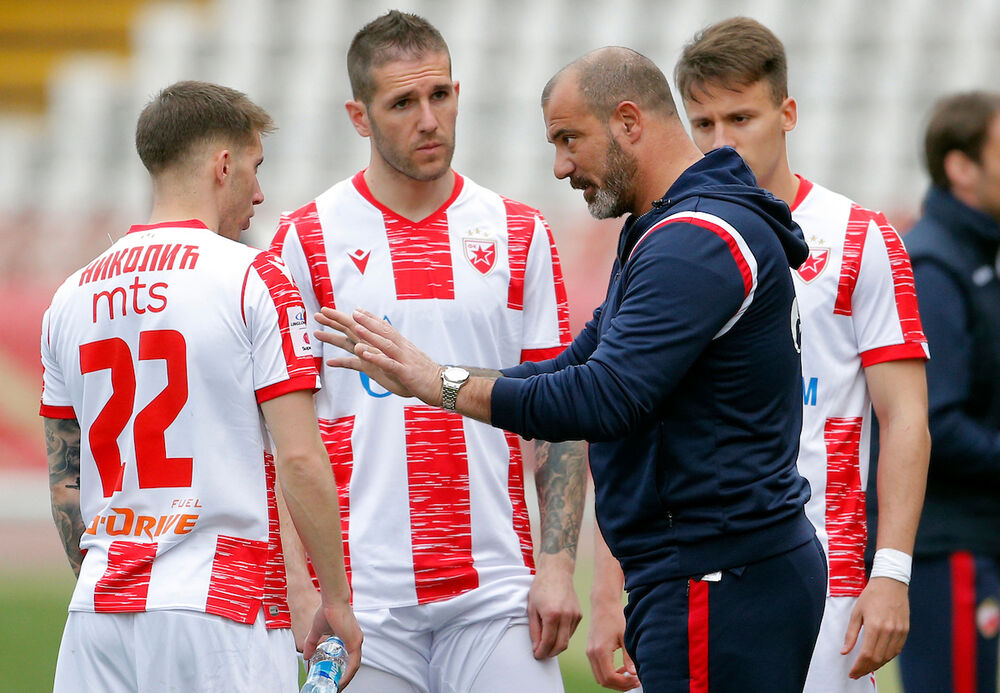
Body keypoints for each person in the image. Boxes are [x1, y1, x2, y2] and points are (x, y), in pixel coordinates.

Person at [315, 46, 829, 693]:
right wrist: (434, 373)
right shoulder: (666, 227)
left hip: (718, 570)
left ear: (628, 121)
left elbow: (600, 398)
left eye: (568, 139)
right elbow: (571, 365)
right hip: (713, 566)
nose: (560, 166)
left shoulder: (694, 238)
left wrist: (436, 383)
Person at [581, 18, 934, 693]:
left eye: (741, 117)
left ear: (787, 113)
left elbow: (907, 416)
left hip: (823, 580)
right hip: (692, 576)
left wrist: (891, 570)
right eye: (704, 122)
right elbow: (625, 414)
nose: (722, 141)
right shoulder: (665, 241)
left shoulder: (858, 237)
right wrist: (607, 589)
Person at [268, 11, 585, 693]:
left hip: (496, 591)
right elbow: (275, 436)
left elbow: (559, 414)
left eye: (440, 95)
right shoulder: (305, 240)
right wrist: (301, 586)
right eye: (403, 102)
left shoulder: (519, 232)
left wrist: (557, 567)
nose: (429, 118)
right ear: (359, 116)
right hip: (361, 600)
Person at [39, 80, 361, 693]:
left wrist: (103, 574)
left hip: (97, 615)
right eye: (255, 167)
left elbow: (66, 481)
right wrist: (336, 601)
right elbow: (298, 457)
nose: (260, 193)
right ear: (223, 165)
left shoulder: (69, 297)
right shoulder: (253, 276)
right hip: (222, 610)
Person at [894, 91, 1000, 693]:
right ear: (962, 167)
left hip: (971, 539)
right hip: (946, 547)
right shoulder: (935, 266)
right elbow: (937, 421)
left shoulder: (971, 255)